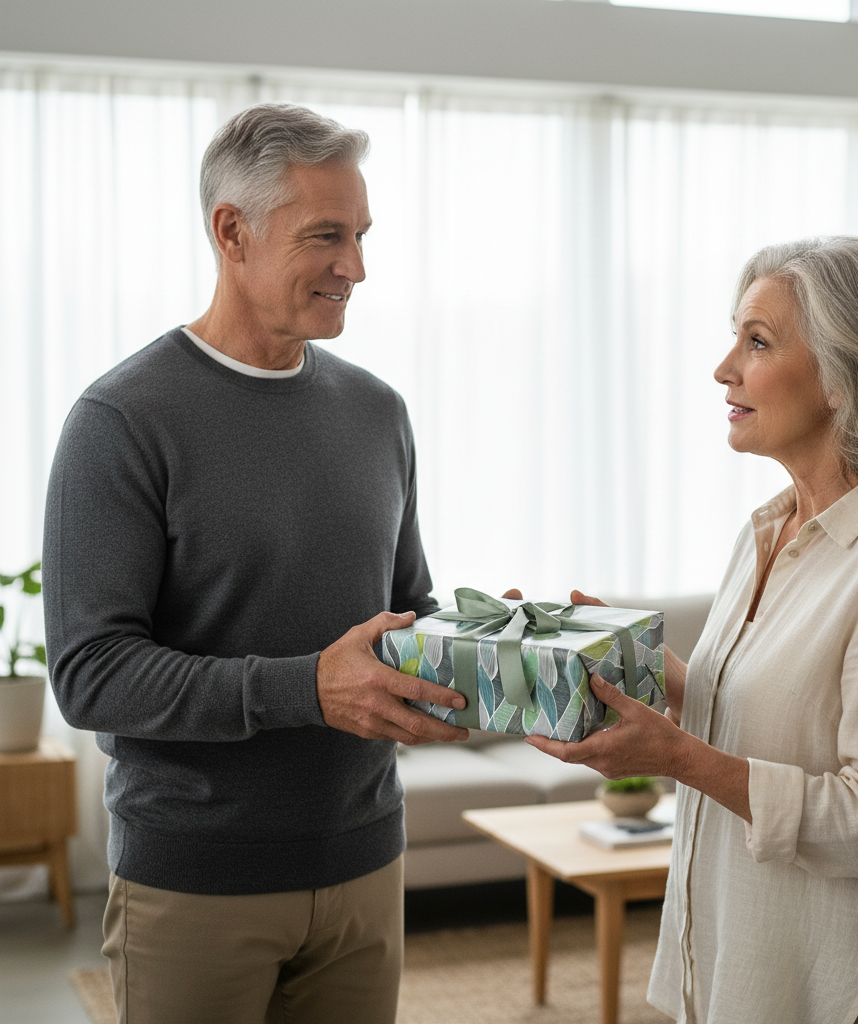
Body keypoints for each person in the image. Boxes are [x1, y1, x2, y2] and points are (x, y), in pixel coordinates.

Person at [42, 102, 469, 1024]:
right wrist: (306, 689)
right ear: (231, 232)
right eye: (326, 235)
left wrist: (491, 642)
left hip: (365, 865)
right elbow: (89, 675)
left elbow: (407, 606)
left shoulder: (377, 411)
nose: (355, 266)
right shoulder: (121, 421)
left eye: (359, 234)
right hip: (195, 884)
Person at [528, 236, 858, 1024]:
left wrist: (676, 756)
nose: (724, 369)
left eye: (758, 341)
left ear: (845, 376)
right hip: (742, 957)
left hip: (841, 989)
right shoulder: (767, 532)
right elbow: (758, 703)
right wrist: (620, 659)